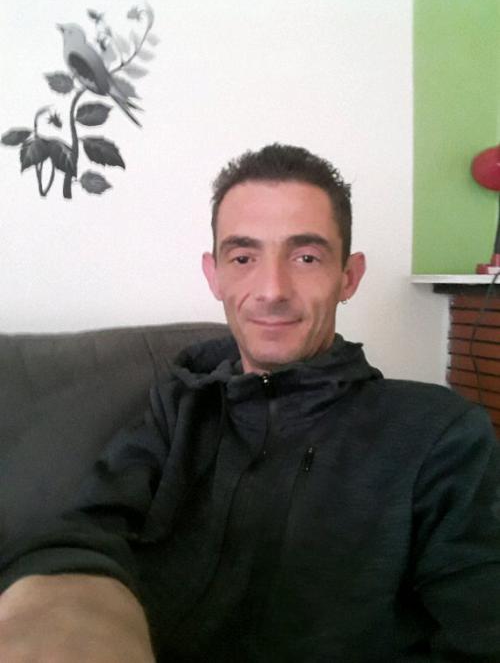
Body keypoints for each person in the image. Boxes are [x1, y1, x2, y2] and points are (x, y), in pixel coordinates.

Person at [1, 143, 499, 662]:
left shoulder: (439, 433)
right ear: (214, 274)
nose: (272, 290)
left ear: (348, 277)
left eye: (306, 257)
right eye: (243, 258)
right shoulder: (179, 406)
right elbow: (83, 535)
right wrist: (65, 615)